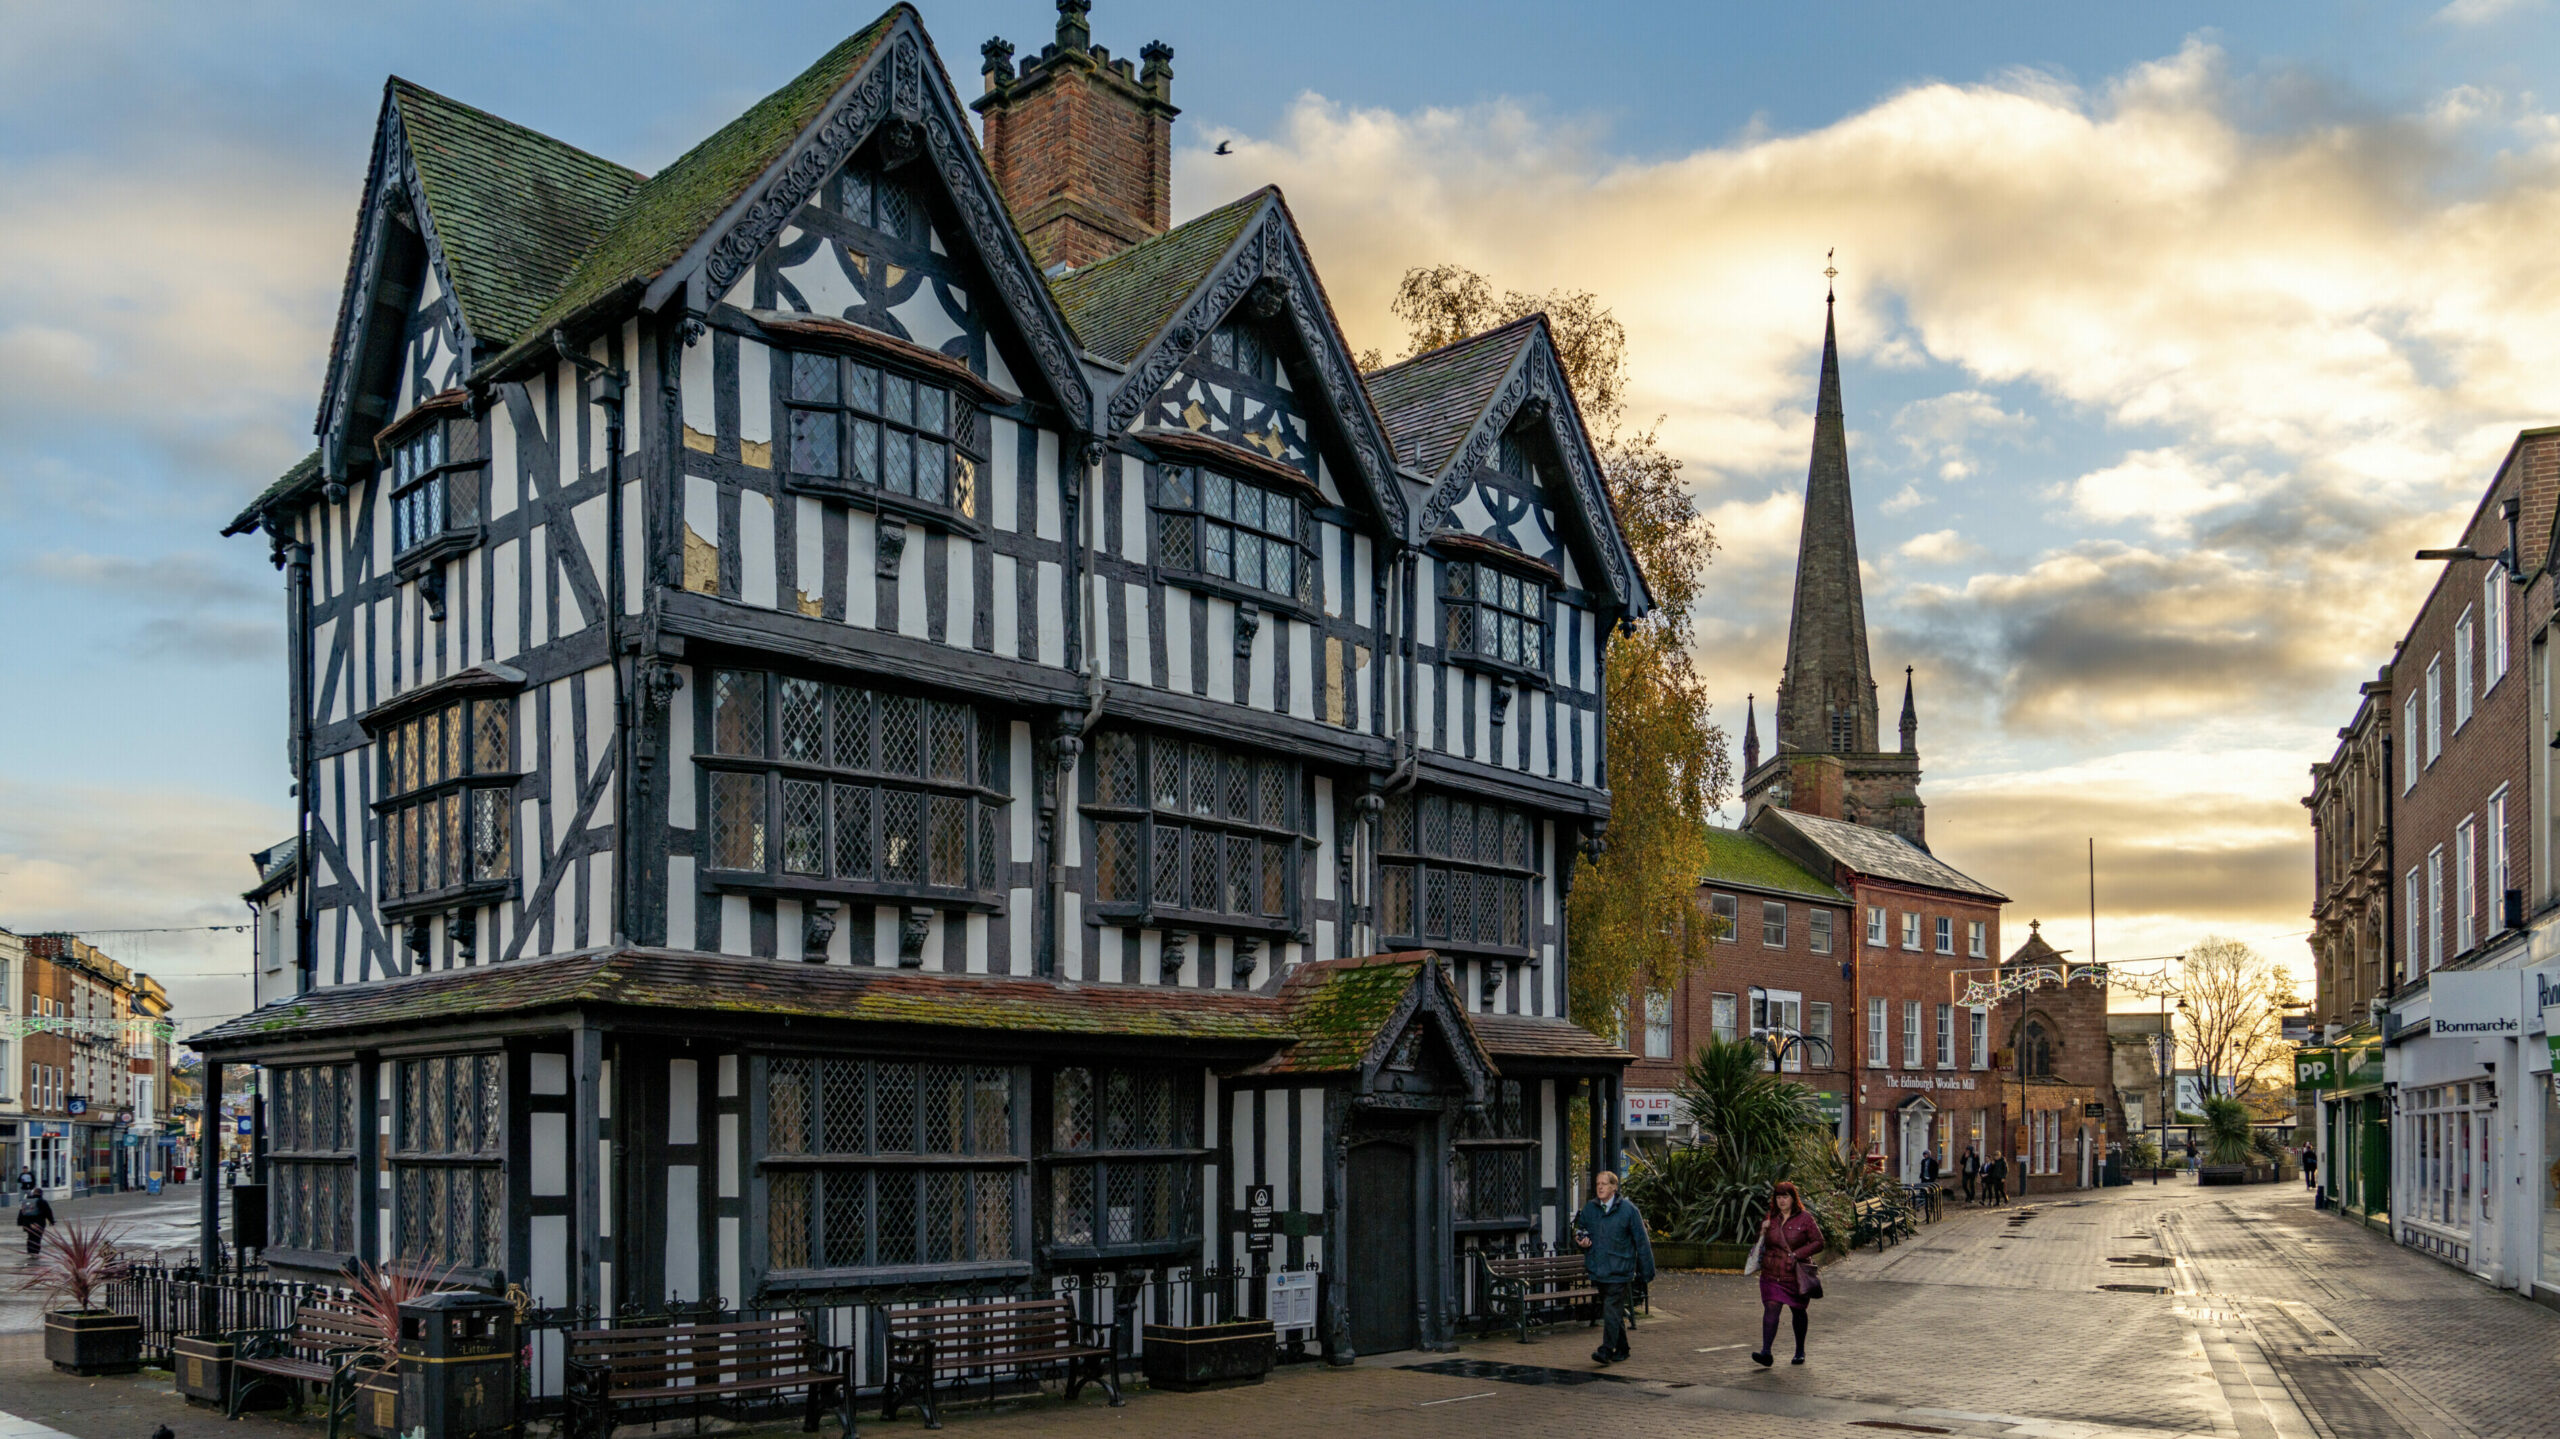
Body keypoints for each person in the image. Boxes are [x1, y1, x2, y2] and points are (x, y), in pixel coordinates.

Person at [1573, 1170, 1655, 1366]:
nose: (1600, 1187)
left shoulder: (1629, 1210)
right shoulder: (1590, 1209)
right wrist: (1580, 1240)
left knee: (1611, 1308)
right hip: (1599, 1270)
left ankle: (1606, 1350)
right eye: (1597, 1184)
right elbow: (1579, 1230)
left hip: (1620, 1271)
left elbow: (1642, 1242)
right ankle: (1623, 1349)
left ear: (1614, 1187)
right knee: (1613, 1311)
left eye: (1604, 1184)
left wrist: (1647, 1272)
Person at [1751, 1179, 1826, 1367]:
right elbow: (1759, 1242)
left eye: (1785, 1197)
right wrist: (1762, 1230)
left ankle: (1800, 1350)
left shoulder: (1805, 1218)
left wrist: (1797, 1254)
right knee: (1771, 1307)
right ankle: (1766, 1352)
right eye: (1778, 1197)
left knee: (1798, 1311)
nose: (1781, 1201)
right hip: (1771, 1273)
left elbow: (1819, 1242)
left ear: (1793, 1198)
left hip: (1794, 1275)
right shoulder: (1771, 1217)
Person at [17, 1188, 52, 1259]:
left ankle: (30, 1251)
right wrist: (51, 1221)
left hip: (27, 1223)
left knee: (30, 1237)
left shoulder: (26, 1201)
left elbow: (21, 1212)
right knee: (37, 1238)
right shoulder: (42, 1201)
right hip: (39, 1222)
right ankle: (35, 1252)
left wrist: (20, 1222)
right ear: (41, 1194)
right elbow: (48, 1212)